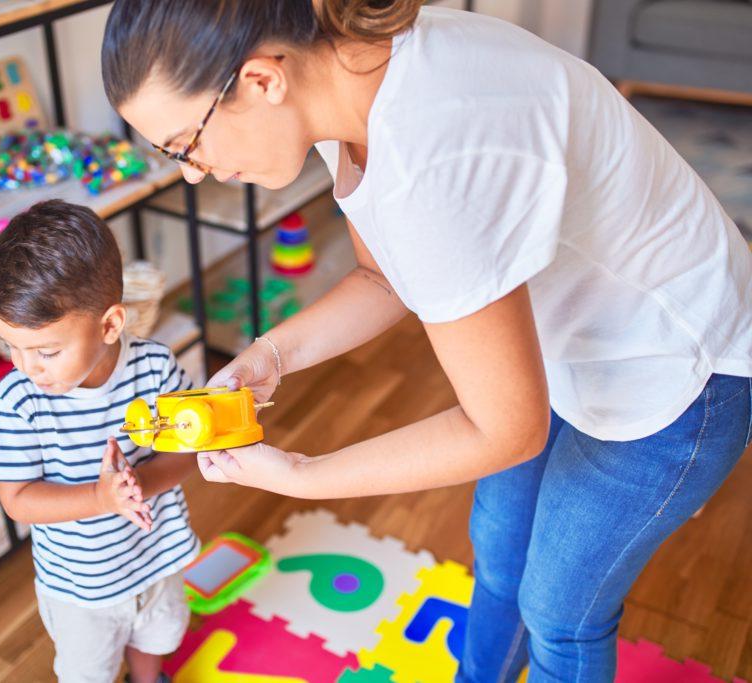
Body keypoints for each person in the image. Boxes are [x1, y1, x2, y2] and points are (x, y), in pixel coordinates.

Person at [100, 1, 752, 680]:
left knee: (561, 612)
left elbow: (504, 430)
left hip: (679, 366)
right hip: (564, 344)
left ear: (262, 81)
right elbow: (382, 277)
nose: (191, 171)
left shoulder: (431, 156)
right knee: (499, 553)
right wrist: (272, 353)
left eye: (187, 142)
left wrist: (303, 474)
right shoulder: (336, 79)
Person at [0, 199, 197, 683]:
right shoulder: (19, 400)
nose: (25, 367)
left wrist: (139, 482)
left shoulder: (155, 367)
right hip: (82, 586)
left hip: (155, 554)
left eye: (46, 352)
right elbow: (16, 500)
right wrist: (102, 497)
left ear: (110, 325)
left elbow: (187, 451)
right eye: (10, 346)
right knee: (89, 670)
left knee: (157, 637)